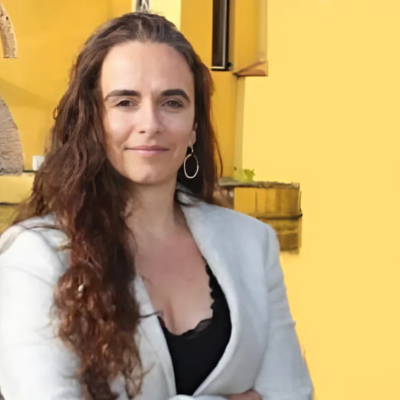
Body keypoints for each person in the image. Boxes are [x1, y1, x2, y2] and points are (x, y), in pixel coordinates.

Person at [0, 12, 313, 400]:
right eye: (126, 102)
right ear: (94, 120)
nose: (150, 123)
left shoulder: (252, 243)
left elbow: (292, 394)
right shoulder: (35, 256)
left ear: (194, 124)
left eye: (172, 102)